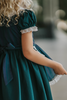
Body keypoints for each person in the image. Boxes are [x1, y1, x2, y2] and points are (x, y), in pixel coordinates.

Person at [0, 0, 67, 100]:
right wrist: (55, 65)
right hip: (23, 69)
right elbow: (28, 52)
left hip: (2, 65)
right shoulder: (24, 16)